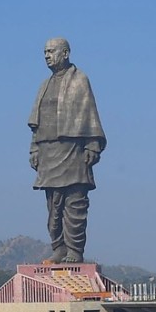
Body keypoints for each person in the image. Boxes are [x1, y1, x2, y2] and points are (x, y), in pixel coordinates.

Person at [28, 38, 105, 263]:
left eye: (51, 51)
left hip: (73, 150)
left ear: (66, 53)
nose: (47, 56)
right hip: (48, 151)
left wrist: (92, 144)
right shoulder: (44, 85)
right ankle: (58, 247)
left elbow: (88, 112)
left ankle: (74, 250)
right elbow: (36, 124)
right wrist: (34, 150)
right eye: (44, 52)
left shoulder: (80, 80)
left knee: (75, 203)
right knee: (53, 207)